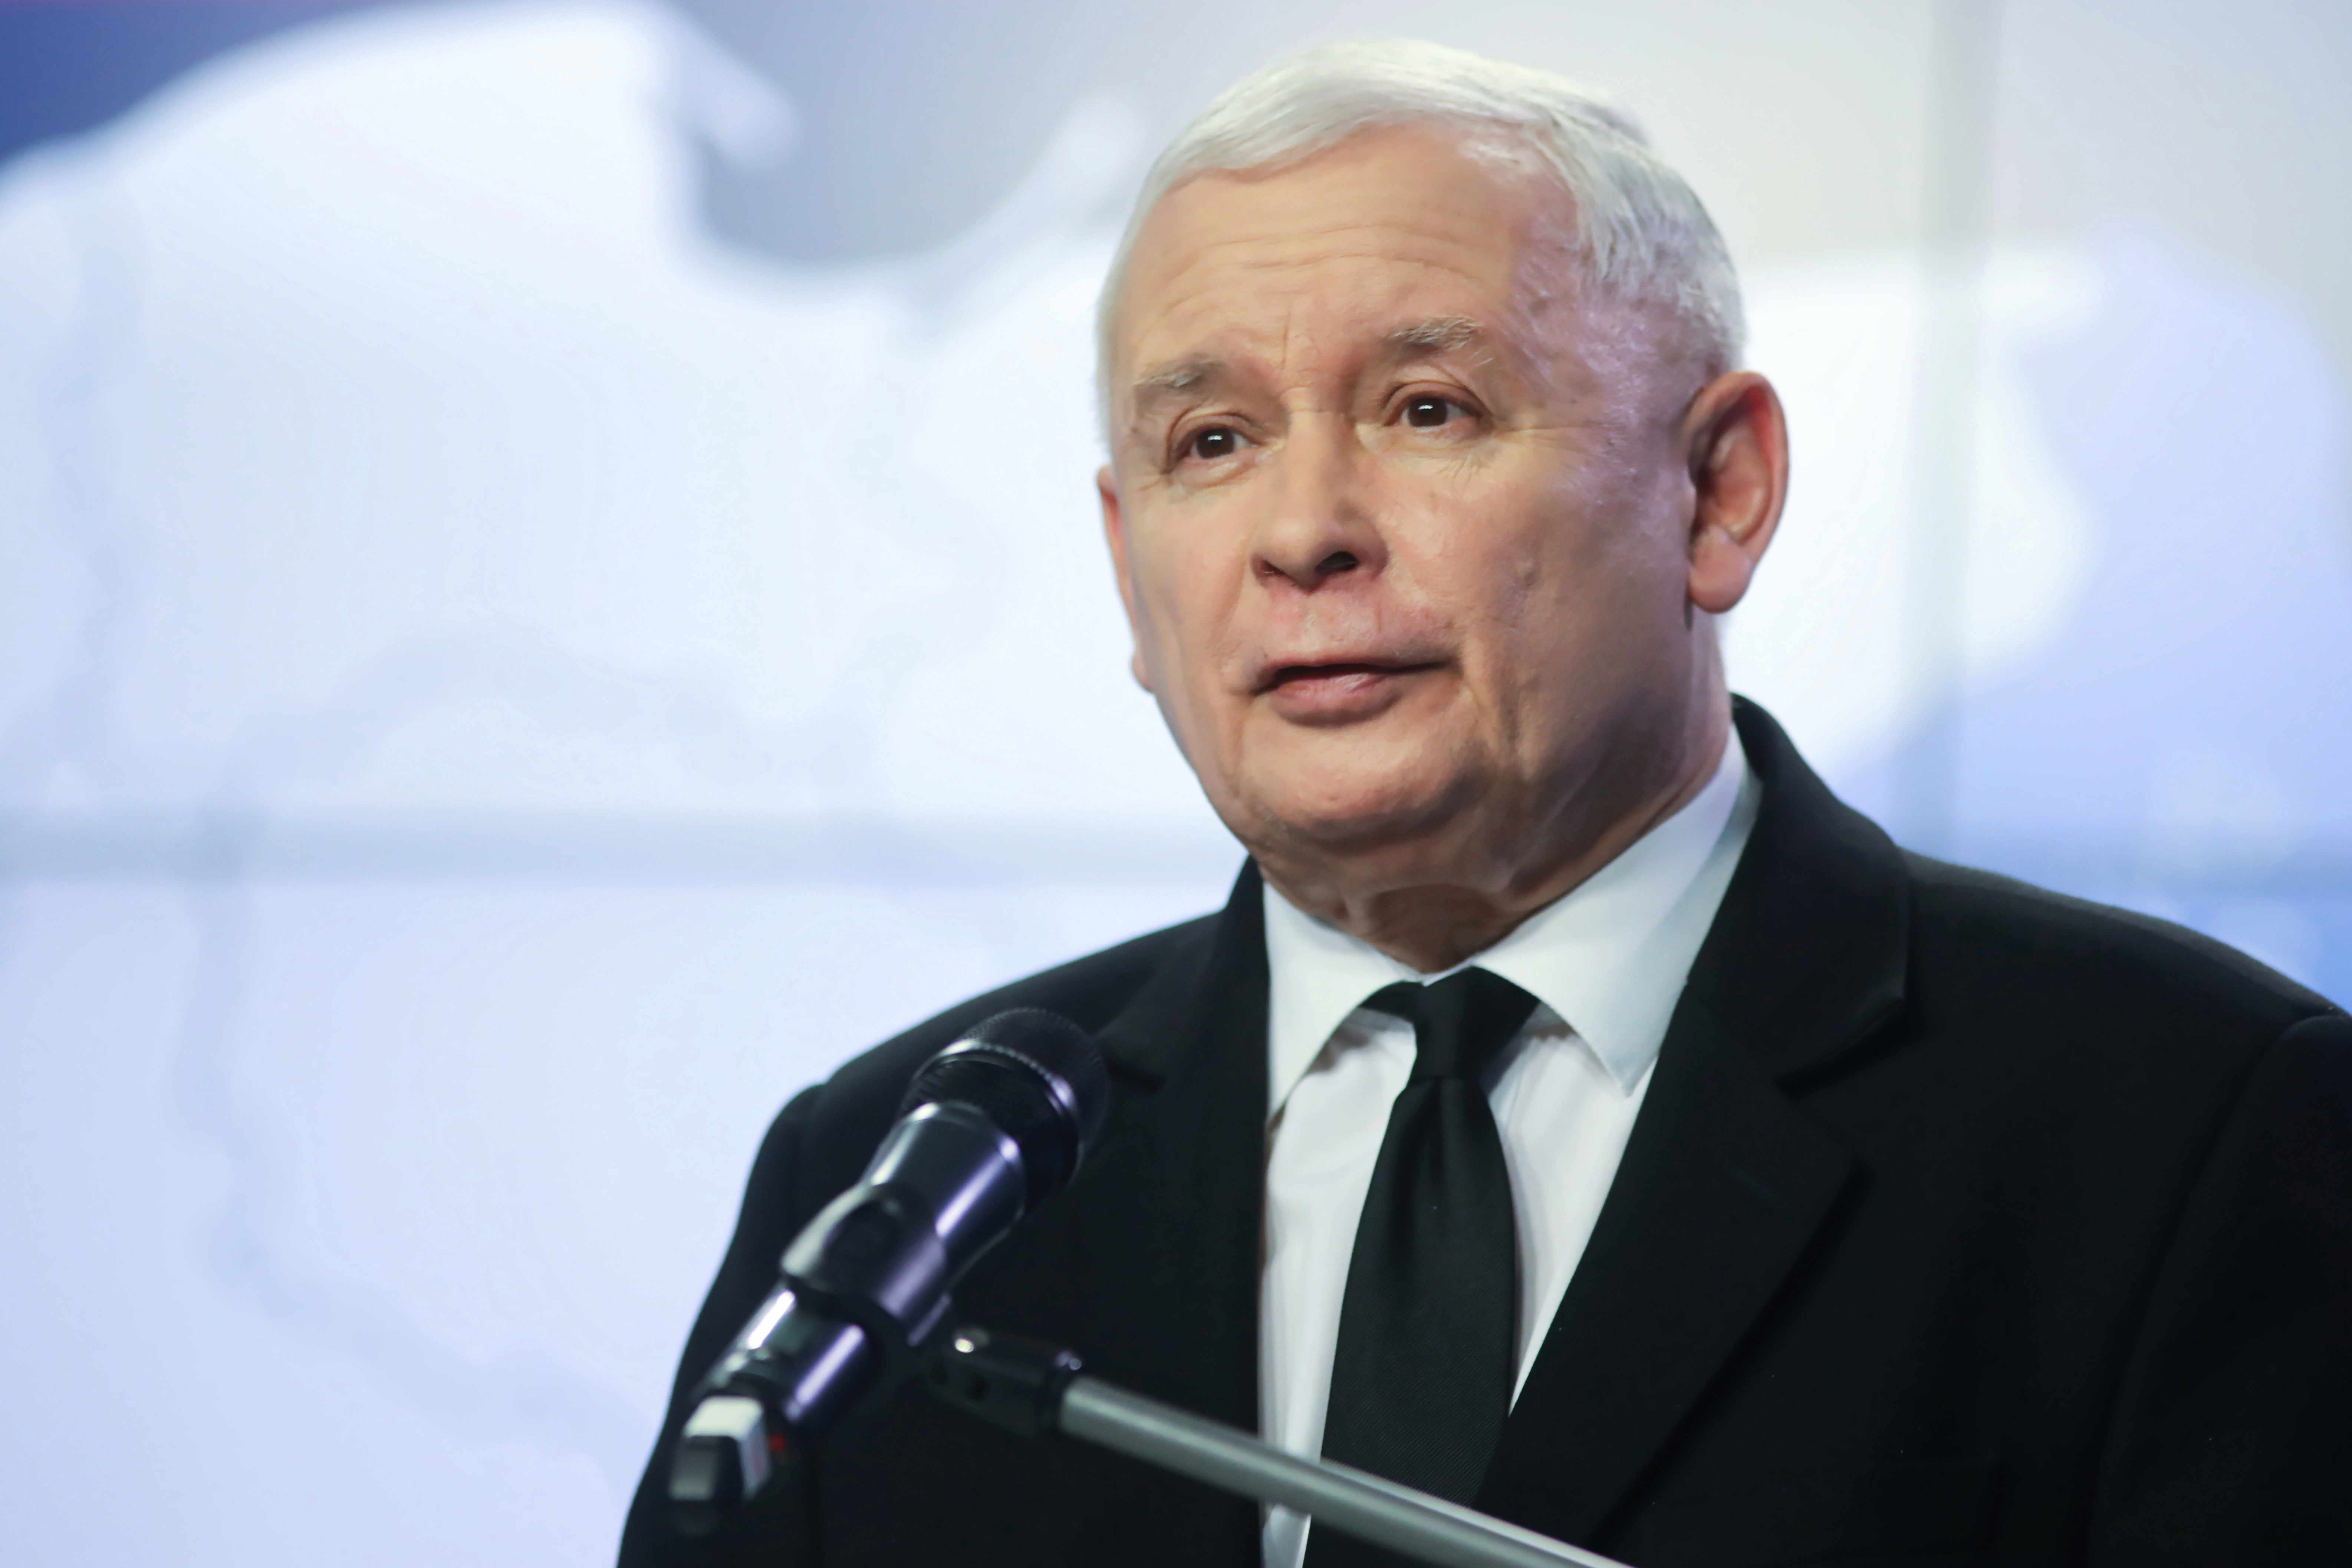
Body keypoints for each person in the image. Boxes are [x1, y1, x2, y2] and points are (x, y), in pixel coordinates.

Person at [619, 38, 2352, 1568]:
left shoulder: (2185, 1131)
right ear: (1126, 563)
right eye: (1210, 442)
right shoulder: (897, 1187)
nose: (1302, 532)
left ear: (1716, 492)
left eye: (1426, 409)